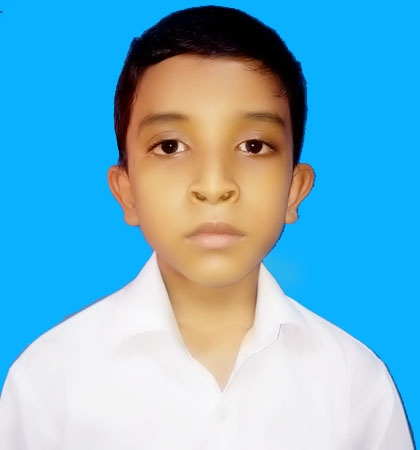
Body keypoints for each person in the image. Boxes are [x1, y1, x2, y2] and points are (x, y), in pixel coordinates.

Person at [0, 5, 415, 449]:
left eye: (253, 145)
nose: (214, 186)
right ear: (127, 192)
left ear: (294, 190)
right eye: (170, 146)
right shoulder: (49, 382)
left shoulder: (354, 384)